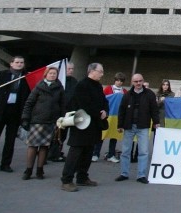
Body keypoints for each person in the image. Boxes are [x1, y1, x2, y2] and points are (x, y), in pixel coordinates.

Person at [61, 63, 108, 192]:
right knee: (75, 152)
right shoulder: (82, 85)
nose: (102, 74)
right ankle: (66, 180)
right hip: (82, 124)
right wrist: (99, 113)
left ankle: (82, 177)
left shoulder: (98, 86)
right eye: (100, 71)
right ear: (92, 71)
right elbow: (84, 105)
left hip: (94, 125)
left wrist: (105, 110)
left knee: (88, 152)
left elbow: (104, 101)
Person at [20, 66, 65, 180]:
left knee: (44, 146)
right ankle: (28, 170)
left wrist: (62, 119)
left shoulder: (59, 88)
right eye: (50, 73)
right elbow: (29, 103)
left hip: (51, 121)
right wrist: (25, 118)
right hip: (37, 120)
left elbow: (63, 105)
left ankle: (40, 170)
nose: (52, 75)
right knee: (33, 146)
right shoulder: (39, 87)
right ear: (46, 74)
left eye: (55, 73)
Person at [115, 73, 160, 184]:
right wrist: (120, 125)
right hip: (129, 126)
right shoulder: (127, 94)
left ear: (143, 81)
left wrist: (156, 122)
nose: (138, 83)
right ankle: (124, 173)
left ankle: (141, 175)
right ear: (132, 82)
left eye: (140, 81)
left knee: (143, 152)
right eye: (136, 81)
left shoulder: (150, 94)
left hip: (143, 126)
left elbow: (154, 109)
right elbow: (122, 110)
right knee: (125, 151)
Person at [48, 61, 77, 162]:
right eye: (69, 69)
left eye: (72, 69)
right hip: (57, 112)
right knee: (54, 134)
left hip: (69, 113)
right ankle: (49, 153)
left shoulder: (74, 81)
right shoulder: (58, 81)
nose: (71, 71)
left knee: (63, 135)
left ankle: (57, 152)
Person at [98, 72, 127, 162]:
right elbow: (102, 99)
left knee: (114, 136)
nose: (119, 82)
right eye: (118, 80)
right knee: (102, 135)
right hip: (108, 115)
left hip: (117, 117)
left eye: (121, 81)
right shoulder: (108, 89)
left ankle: (111, 155)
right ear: (115, 80)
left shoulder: (125, 91)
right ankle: (95, 153)